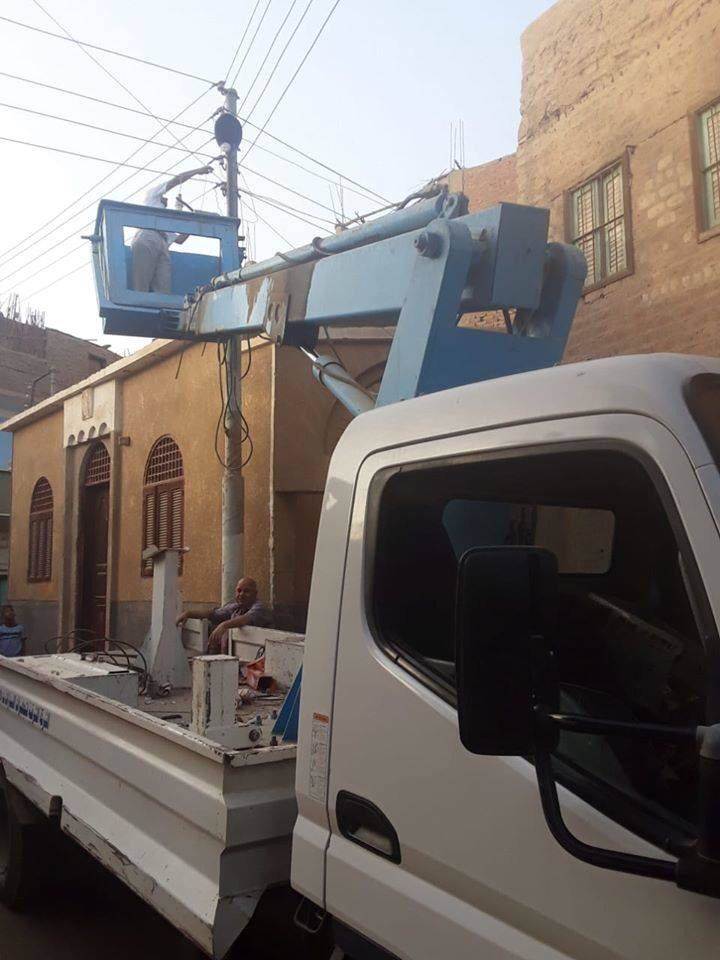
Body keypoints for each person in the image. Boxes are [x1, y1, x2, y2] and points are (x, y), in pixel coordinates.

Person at [131, 165, 212, 294]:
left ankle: (159, 304)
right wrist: (197, 170)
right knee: (141, 284)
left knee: (163, 290)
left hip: (163, 244)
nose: (167, 197)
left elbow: (180, 240)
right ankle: (139, 302)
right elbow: (176, 180)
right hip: (148, 236)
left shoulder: (166, 221)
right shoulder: (152, 197)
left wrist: (194, 221)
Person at [176, 578, 271, 656]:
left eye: (246, 591)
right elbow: (212, 614)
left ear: (255, 593)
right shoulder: (235, 607)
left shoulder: (259, 608)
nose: (241, 594)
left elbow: (245, 619)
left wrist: (224, 625)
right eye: (239, 591)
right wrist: (189, 613)